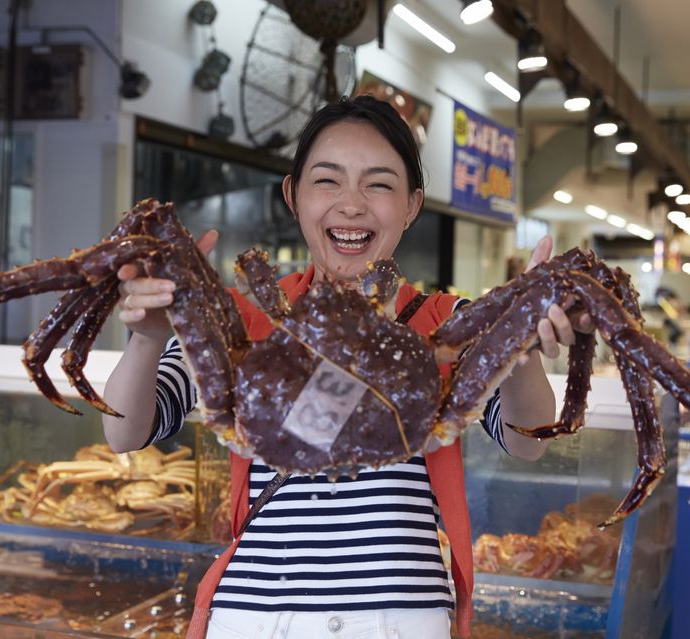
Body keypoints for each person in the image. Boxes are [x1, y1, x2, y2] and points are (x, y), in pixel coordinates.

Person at [102, 95, 593, 639]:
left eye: (379, 184)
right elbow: (125, 431)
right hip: (256, 616)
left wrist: (518, 347)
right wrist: (147, 338)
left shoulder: (446, 326)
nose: (352, 204)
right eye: (328, 180)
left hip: (400, 618)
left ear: (412, 204)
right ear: (293, 195)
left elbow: (527, 440)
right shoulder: (242, 322)